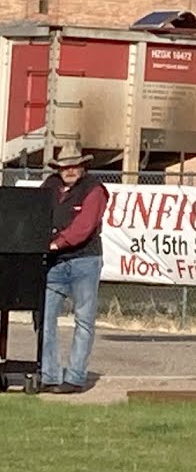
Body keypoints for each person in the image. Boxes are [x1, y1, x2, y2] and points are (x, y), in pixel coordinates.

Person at [40, 144, 106, 395]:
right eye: (64, 166)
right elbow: (35, 214)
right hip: (54, 263)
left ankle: (75, 377)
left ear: (82, 166)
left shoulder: (95, 189)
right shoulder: (49, 186)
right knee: (44, 319)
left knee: (84, 320)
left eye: (73, 165)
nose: (68, 170)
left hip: (85, 261)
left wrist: (56, 242)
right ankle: (49, 374)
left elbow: (84, 227)